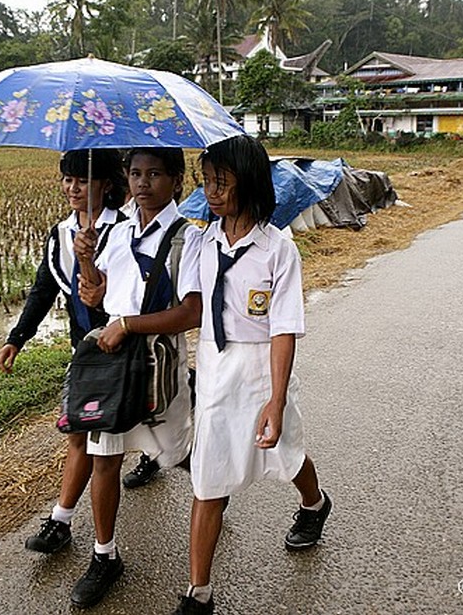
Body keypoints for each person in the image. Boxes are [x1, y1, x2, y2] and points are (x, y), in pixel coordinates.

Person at [100, 135, 330, 615]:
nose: (211, 191)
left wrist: (276, 399)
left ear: (247, 183)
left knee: (286, 452)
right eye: (206, 182)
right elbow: (188, 309)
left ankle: (314, 503)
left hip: (261, 369)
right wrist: (99, 285)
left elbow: (284, 329)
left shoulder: (277, 249)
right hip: (213, 368)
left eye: (221, 182)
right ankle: (199, 592)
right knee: (208, 480)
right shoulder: (202, 243)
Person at [68, 146, 201, 609]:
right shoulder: (116, 232)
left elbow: (191, 311)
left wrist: (128, 324)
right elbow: (96, 299)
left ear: (177, 180)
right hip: (112, 367)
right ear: (125, 177)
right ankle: (104, 556)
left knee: (178, 453)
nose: (143, 183)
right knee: (105, 458)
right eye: (136, 173)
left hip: (157, 369)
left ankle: (213, 497)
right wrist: (86, 260)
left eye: (155, 174)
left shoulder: (189, 239)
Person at [0, 148, 129, 555]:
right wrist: (17, 337)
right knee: (80, 433)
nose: (72, 187)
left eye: (81, 179)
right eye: (66, 179)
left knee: (159, 439)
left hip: (124, 348)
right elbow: (44, 289)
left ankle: (209, 484)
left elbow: (127, 295)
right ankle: (62, 520)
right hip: (84, 350)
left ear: (105, 184)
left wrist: (93, 265)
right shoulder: (61, 235)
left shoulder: (125, 230)